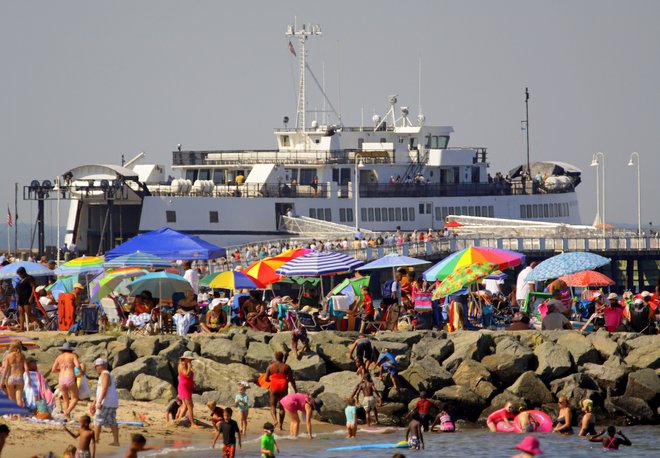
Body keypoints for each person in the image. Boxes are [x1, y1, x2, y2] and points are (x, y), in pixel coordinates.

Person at [264, 352, 297, 431]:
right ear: (283, 357)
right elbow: (291, 379)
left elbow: (266, 379)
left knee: (272, 405)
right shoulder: (286, 367)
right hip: (283, 386)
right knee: (281, 407)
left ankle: (275, 420)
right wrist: (295, 389)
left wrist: (271, 380)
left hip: (274, 385)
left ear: (275, 357)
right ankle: (281, 426)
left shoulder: (270, 367)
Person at [51, 342, 83, 420]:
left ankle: (67, 418)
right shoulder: (73, 356)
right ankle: (67, 411)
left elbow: (53, 370)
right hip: (70, 377)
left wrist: (61, 369)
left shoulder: (59, 357)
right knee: (75, 398)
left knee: (65, 399)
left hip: (61, 378)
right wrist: (80, 371)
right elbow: (78, 366)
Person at [91, 358, 120, 446]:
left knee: (97, 420)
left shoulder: (105, 374)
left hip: (106, 402)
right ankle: (116, 441)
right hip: (111, 402)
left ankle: (96, 440)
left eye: (96, 367)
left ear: (99, 366)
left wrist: (99, 402)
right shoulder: (105, 374)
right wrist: (94, 402)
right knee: (112, 421)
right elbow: (99, 390)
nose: (96, 369)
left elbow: (105, 388)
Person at [1, 340, 30, 407]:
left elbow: (5, 369)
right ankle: (19, 416)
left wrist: (2, 381)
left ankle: (11, 414)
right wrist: (29, 379)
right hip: (19, 377)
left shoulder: (8, 356)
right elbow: (26, 368)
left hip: (11, 377)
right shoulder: (22, 356)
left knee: (11, 398)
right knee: (19, 399)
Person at [177, 352, 199, 428]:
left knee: (186, 406)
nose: (191, 360)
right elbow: (186, 374)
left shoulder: (186, 364)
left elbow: (188, 376)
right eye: (189, 359)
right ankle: (192, 423)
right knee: (190, 405)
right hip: (184, 387)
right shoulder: (182, 364)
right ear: (185, 358)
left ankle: (178, 421)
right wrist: (189, 366)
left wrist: (193, 383)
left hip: (188, 387)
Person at [14, 266, 38, 330]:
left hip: (27, 297)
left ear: (24, 272)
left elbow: (33, 288)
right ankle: (21, 328)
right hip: (21, 298)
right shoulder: (21, 279)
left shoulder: (30, 278)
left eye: (20, 274)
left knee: (28, 313)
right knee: (21, 313)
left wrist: (31, 297)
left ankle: (40, 323)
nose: (20, 275)